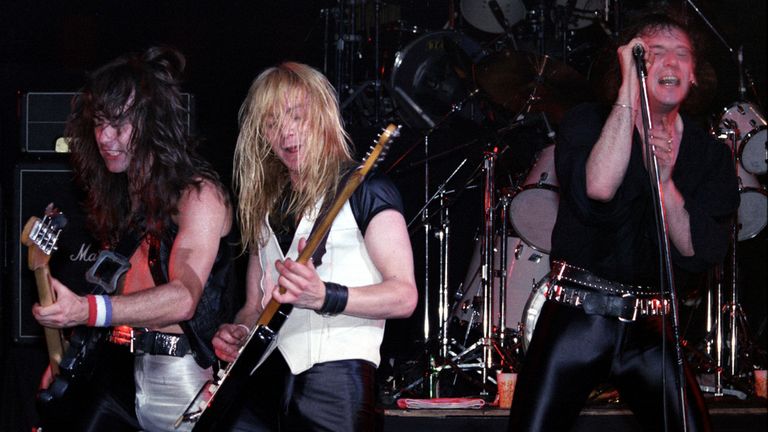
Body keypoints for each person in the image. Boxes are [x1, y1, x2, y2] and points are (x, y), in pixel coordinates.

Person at [508, 12, 739, 432]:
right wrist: (629, 91)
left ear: (695, 75)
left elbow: (697, 250)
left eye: (681, 54)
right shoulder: (588, 123)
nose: (670, 63)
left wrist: (666, 184)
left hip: (652, 328)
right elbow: (598, 188)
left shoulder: (709, 155)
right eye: (653, 53)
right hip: (578, 316)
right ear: (630, 64)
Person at [32, 46, 236, 432]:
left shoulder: (198, 194)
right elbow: (120, 297)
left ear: (151, 123)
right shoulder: (127, 202)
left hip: (185, 380)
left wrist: (86, 310)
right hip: (120, 373)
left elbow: (184, 298)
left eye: (120, 124)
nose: (105, 137)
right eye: (99, 123)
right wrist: (70, 355)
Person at [212, 61, 418, 431]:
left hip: (336, 387)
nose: (285, 132)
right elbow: (254, 307)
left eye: (296, 115)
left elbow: (404, 296)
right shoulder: (267, 208)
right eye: (272, 122)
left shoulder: (367, 191)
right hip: (266, 383)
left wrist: (325, 295)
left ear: (323, 115)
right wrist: (240, 332)